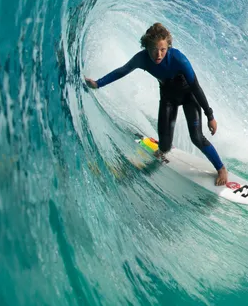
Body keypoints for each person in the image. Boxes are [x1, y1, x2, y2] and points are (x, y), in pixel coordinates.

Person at [85, 22, 228, 185]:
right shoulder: (142, 59)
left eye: (163, 49)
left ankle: (221, 168)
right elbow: (121, 71)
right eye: (154, 49)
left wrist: (210, 116)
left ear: (168, 47)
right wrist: (98, 83)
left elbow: (196, 87)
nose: (158, 54)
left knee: (196, 137)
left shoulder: (178, 59)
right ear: (146, 47)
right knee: (165, 147)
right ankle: (163, 148)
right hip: (168, 99)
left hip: (189, 97)